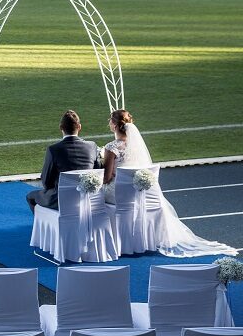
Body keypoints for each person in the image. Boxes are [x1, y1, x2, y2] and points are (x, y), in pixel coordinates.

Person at [101, 109, 237, 257]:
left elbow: (107, 178)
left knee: (93, 196)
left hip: (119, 194)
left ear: (114, 125)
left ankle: (105, 240)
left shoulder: (111, 148)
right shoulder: (136, 146)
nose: (109, 122)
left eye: (110, 120)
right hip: (139, 192)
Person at [26, 110, 99, 213]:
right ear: (79, 127)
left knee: (30, 197)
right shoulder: (92, 146)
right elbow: (98, 172)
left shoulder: (54, 149)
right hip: (88, 198)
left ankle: (43, 227)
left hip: (60, 200)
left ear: (61, 127)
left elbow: (46, 182)